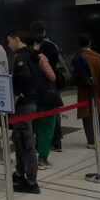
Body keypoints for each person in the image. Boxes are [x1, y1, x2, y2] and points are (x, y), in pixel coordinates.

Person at [7, 29, 53, 194]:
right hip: (34, 102)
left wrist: (15, 98)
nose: (9, 44)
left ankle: (31, 180)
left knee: (26, 141)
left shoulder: (21, 57)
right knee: (20, 138)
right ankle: (20, 172)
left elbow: (22, 80)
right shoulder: (35, 55)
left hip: (24, 104)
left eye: (9, 41)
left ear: (17, 38)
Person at [31, 21, 64, 153]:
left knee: (44, 115)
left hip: (42, 85)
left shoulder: (37, 50)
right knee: (52, 113)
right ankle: (56, 141)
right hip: (52, 85)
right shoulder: (52, 46)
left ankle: (44, 143)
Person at [75, 34, 100, 149]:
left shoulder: (79, 57)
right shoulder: (98, 57)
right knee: (99, 112)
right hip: (98, 89)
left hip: (85, 90)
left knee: (87, 114)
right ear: (90, 43)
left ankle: (91, 140)